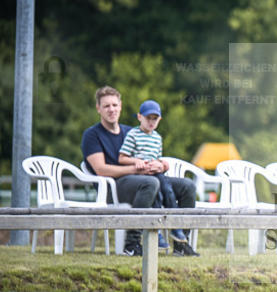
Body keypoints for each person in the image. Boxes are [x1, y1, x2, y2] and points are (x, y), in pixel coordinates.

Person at [81, 86, 200, 257]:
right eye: (106, 106)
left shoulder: (132, 132)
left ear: (120, 106)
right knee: (151, 182)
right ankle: (132, 243)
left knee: (187, 186)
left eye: (114, 105)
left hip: (143, 180)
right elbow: (101, 169)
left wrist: (162, 165)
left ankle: (181, 242)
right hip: (113, 187)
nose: (112, 109)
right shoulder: (92, 135)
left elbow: (151, 156)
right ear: (98, 108)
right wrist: (136, 169)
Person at [118, 99, 190, 248]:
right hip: (141, 176)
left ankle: (175, 228)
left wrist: (160, 165)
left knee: (168, 192)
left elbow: (157, 158)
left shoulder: (157, 138)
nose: (151, 122)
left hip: (155, 173)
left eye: (154, 119)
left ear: (159, 119)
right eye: (148, 118)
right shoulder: (133, 135)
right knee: (157, 196)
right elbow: (122, 158)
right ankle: (155, 232)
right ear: (139, 117)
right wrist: (135, 161)